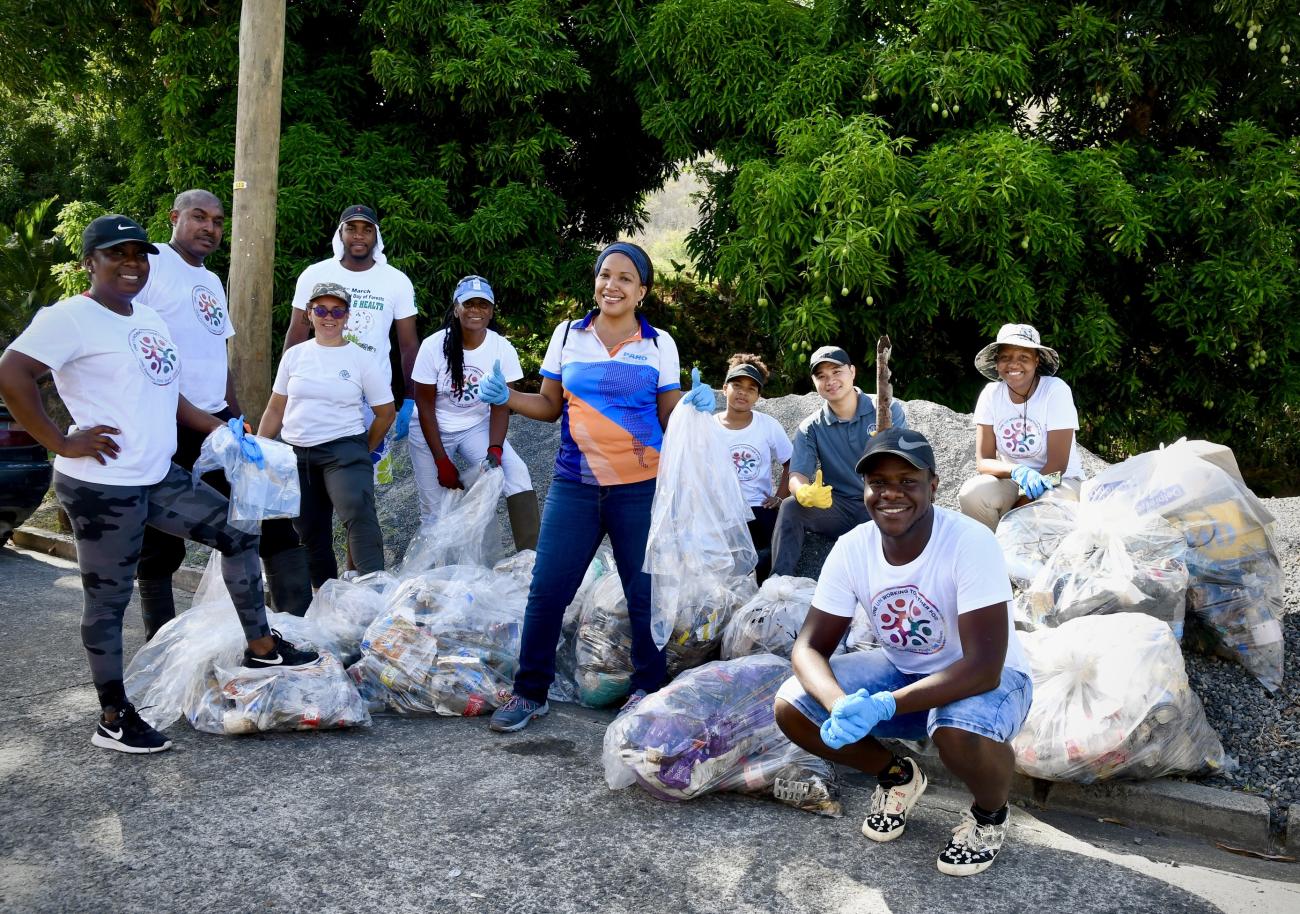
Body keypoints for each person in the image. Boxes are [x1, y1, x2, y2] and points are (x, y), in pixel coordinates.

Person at [0, 215, 318, 755]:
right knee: (108, 601)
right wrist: (60, 440)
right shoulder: (70, 318)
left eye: (139, 255)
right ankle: (113, 716)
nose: (131, 264)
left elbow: (168, 395)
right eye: (116, 254)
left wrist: (224, 428)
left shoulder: (147, 316)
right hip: (103, 487)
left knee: (241, 534)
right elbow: (11, 371)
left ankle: (261, 646)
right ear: (90, 262)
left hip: (158, 475)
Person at [476, 241, 713, 732]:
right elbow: (549, 406)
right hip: (575, 485)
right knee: (546, 590)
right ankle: (530, 692)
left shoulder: (658, 344)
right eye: (607, 275)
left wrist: (697, 407)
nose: (613, 285)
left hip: (639, 488)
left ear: (642, 291)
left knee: (644, 594)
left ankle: (648, 688)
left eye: (626, 278)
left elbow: (670, 417)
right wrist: (509, 398)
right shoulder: (568, 335)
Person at [774, 427, 1032, 877]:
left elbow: (984, 668)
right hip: (904, 672)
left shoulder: (969, 542)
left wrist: (886, 705)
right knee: (793, 705)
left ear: (933, 486)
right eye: (879, 483)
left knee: (956, 730)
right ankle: (897, 776)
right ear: (865, 489)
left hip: (990, 680)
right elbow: (810, 646)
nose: (891, 493)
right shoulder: (853, 548)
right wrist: (841, 706)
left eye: (907, 482)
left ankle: (990, 816)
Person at [133, 189, 312, 637]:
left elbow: (219, 356)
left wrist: (239, 419)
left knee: (271, 521)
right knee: (159, 546)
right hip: (163, 425)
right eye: (199, 217)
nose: (210, 228)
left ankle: (302, 632)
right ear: (174, 217)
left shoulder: (211, 281)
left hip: (217, 426)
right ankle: (162, 645)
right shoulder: (150, 263)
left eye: (217, 221)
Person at [258, 282, 396, 586]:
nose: (328, 316)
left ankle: (373, 591)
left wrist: (362, 449)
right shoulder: (295, 356)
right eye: (321, 309)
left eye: (337, 310)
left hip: (343, 449)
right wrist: (258, 447)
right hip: (297, 453)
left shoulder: (361, 359)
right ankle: (323, 601)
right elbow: (275, 409)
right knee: (308, 530)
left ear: (347, 316)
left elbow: (386, 412)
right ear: (309, 314)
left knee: (357, 512)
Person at [408, 275, 540, 550]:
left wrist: (495, 449)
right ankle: (432, 579)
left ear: (491, 311)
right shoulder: (433, 346)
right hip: (432, 428)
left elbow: (501, 404)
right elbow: (424, 406)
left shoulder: (500, 348)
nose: (475, 310)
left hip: (474, 426)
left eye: (483, 305)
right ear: (456, 308)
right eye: (469, 304)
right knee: (434, 509)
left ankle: (530, 559)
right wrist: (441, 460)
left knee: (516, 472)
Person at [282, 204, 419, 441]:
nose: (358, 235)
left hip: (373, 399)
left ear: (376, 236)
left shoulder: (397, 281)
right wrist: (283, 389)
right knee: (312, 467)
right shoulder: (314, 274)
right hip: (315, 391)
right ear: (340, 234)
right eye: (351, 228)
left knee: (370, 470)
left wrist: (410, 397)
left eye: (366, 229)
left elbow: (408, 345)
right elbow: (297, 331)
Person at [769, 345, 907, 576]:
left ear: (852, 372)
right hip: (837, 507)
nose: (829, 380)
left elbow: (907, 461)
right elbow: (796, 474)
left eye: (836, 372)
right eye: (821, 376)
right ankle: (779, 582)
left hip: (881, 501)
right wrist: (802, 491)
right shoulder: (810, 427)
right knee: (791, 506)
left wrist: (887, 445)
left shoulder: (886, 409)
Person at [957, 323, 1084, 531]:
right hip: (1015, 481)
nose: (1014, 365)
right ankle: (993, 552)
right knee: (973, 493)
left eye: (1023, 357)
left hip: (1060, 480)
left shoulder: (1055, 391)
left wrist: (1019, 508)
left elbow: (1058, 466)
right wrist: (1016, 470)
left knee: (1044, 510)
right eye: (1005, 357)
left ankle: (1029, 555)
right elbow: (984, 462)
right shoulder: (991, 394)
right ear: (997, 362)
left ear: (1037, 360)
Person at [713, 353, 791, 582]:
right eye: (737, 385)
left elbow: (791, 462)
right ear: (725, 388)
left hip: (758, 508)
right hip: (721, 511)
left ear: (758, 396)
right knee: (721, 570)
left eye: (751, 388)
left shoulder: (767, 425)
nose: (743, 393)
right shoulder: (708, 426)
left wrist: (779, 498)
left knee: (764, 562)